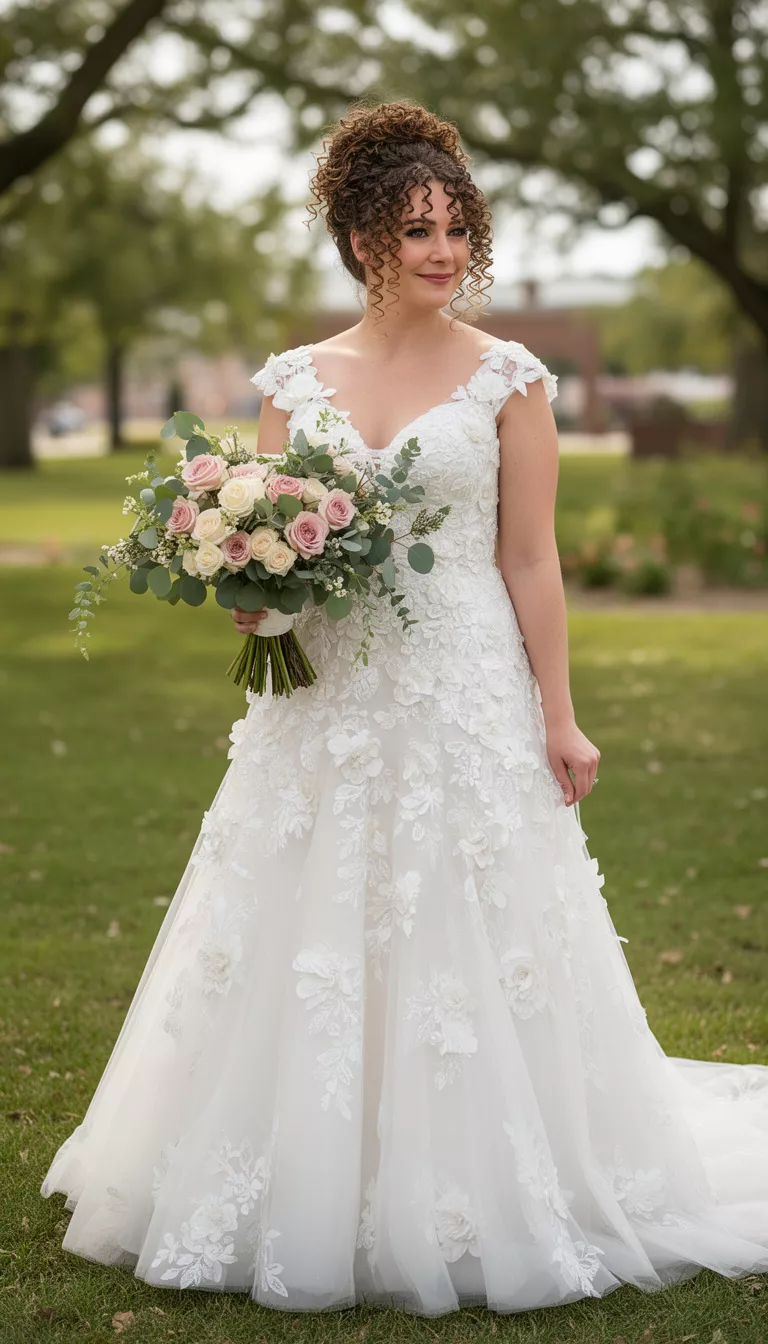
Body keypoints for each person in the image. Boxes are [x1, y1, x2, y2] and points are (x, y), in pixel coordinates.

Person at [41, 99, 768, 1318]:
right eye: (413, 228)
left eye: (455, 227)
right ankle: (297, 1172)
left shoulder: (509, 377)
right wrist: (256, 595)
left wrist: (560, 715)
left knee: (465, 924)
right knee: (306, 920)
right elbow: (265, 535)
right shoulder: (292, 379)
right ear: (361, 238)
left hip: (463, 685)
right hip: (323, 696)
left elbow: (529, 559)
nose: (440, 249)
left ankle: (483, 1179)